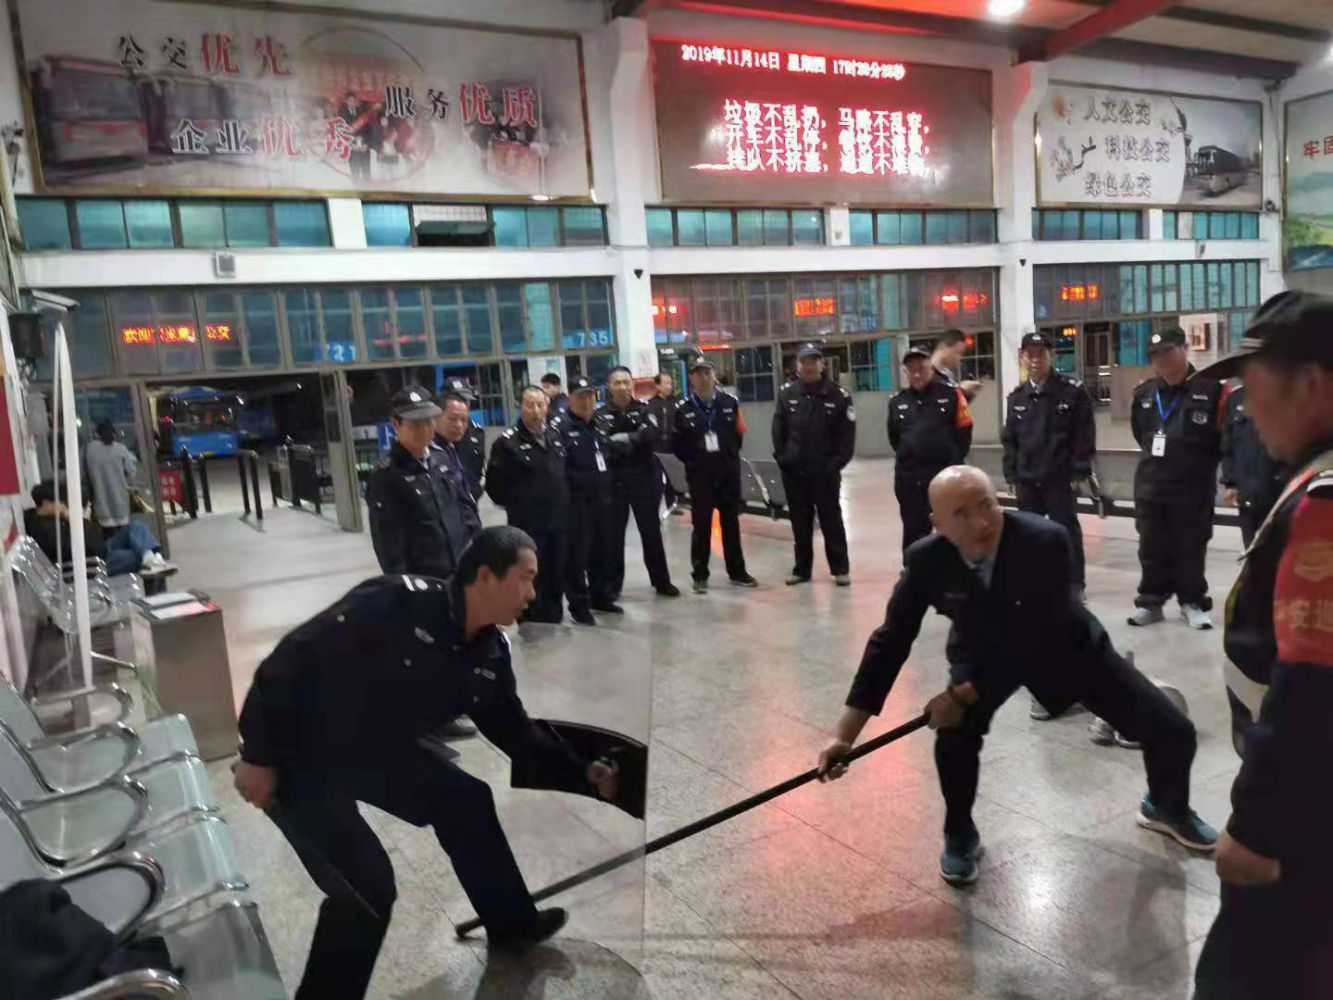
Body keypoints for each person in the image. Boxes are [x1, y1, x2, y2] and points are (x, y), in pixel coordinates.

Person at [232, 527, 620, 1000]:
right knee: (367, 889)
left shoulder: (490, 652)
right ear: (485, 576)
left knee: (465, 801)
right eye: (525, 578)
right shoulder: (395, 602)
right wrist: (258, 756)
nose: (532, 594)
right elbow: (290, 661)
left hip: (370, 748)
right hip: (299, 754)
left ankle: (511, 923)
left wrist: (582, 770)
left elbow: (516, 732)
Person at [817, 466, 1216, 886]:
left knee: (1173, 732)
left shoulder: (1045, 540)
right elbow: (890, 642)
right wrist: (845, 734)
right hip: (978, 652)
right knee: (954, 739)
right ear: (937, 524)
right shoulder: (926, 560)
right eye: (961, 513)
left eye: (987, 505)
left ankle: (1165, 806)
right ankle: (959, 833)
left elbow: (1038, 636)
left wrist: (963, 696)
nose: (981, 522)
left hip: (1068, 649)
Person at [1190, 291, 1333, 999]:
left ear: (1309, 383)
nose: (1244, 407)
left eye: (1253, 386)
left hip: (1303, 811)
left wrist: (1255, 826)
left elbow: (1311, 686)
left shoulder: (1325, 501)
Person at [1128, 326, 1224, 630]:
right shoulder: (1145, 393)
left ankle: (1192, 602)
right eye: (1155, 355)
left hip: (1193, 487)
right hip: (1151, 485)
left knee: (1191, 546)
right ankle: (1151, 602)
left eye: (1167, 352)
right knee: (1150, 546)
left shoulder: (1210, 390)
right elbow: (1141, 434)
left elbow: (1222, 438)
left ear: (1185, 349)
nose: (1161, 359)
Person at [1001, 332, 1096, 600]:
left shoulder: (1072, 391)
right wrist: (1011, 474)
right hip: (1028, 479)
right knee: (1027, 534)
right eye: (1029, 354)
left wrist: (1079, 472)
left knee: (1065, 532)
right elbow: (1010, 440)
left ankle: (1074, 584)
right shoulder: (1017, 398)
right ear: (1022, 357)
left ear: (1050, 355)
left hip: (1060, 478)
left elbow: (1084, 435)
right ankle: (1035, 583)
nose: (1035, 359)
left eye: (1041, 353)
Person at [366, 387, 478, 582]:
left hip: (461, 571)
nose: (424, 430)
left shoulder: (441, 458)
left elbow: (464, 506)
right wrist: (406, 586)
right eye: (415, 424)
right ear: (396, 424)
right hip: (425, 579)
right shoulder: (386, 475)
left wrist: (473, 548)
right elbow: (389, 545)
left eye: (428, 421)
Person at [672, 355, 757, 593]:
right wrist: (696, 461)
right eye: (698, 373)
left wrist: (727, 459)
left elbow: (738, 437)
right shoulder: (683, 410)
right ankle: (700, 574)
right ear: (691, 377)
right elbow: (678, 446)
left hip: (728, 475)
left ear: (714, 375)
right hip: (700, 477)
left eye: (707, 373)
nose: (703, 378)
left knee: (731, 525)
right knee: (701, 527)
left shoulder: (730, 403)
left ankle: (737, 572)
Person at [772, 343, 855, 586]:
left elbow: (846, 437)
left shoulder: (838, 395)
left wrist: (834, 465)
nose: (808, 366)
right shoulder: (787, 395)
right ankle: (802, 570)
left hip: (825, 473)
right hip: (795, 473)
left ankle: (840, 569)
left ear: (822, 364)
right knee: (800, 523)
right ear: (797, 366)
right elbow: (778, 432)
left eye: (813, 361)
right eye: (804, 362)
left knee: (831, 521)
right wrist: (784, 460)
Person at [485, 386, 568, 623]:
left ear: (547, 407)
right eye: (530, 405)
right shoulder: (507, 443)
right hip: (527, 522)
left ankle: (554, 612)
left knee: (556, 567)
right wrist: (519, 503)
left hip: (557, 519)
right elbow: (494, 485)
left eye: (540, 405)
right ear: (520, 407)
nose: (536, 411)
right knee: (529, 571)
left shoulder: (555, 435)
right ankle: (530, 614)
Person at [600, 366, 679, 598]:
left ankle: (661, 581)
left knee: (651, 532)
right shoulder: (601, 414)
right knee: (613, 536)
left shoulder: (645, 409)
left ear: (632, 384)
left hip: (644, 479)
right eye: (617, 383)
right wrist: (635, 440)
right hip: (615, 481)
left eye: (626, 382)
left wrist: (625, 438)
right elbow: (603, 442)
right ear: (609, 387)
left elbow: (651, 436)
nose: (622, 387)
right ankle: (612, 587)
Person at [888, 344, 973, 552]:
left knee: (952, 529)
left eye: (922, 368)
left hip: (944, 477)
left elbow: (964, 433)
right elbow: (895, 438)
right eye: (912, 370)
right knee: (914, 532)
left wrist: (952, 461)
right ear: (906, 372)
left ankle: (953, 570)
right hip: (910, 479)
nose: (917, 374)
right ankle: (914, 569)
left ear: (931, 368)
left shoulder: (952, 394)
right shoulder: (897, 401)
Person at [25, 479, 168, 578]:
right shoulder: (42, 529)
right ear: (46, 503)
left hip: (98, 551)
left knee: (136, 527)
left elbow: (90, 540)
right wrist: (81, 521)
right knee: (139, 557)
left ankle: (152, 557)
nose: (63, 506)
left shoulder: (49, 519)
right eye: (60, 502)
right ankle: (152, 564)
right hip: (93, 562)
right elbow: (84, 545)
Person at [561, 377, 617, 625]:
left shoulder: (601, 424)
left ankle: (601, 596)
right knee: (577, 555)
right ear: (570, 398)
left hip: (602, 498)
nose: (586, 402)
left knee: (603, 550)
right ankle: (579, 605)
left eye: (590, 396)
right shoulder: (560, 428)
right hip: (576, 502)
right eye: (580, 396)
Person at [1219, 381, 1286, 548]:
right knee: (1249, 548)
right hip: (1246, 490)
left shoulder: (1289, 394)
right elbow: (1228, 444)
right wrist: (1230, 483)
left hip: (1278, 488)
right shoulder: (1236, 398)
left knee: (1277, 548)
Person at [434, 377, 487, 502]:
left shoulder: (477, 434)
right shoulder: (431, 439)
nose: (462, 403)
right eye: (456, 398)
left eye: (465, 400)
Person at [645, 372, 681, 511]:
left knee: (673, 476)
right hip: (657, 447)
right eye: (666, 383)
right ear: (658, 386)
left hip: (673, 446)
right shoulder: (651, 405)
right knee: (656, 478)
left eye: (671, 383)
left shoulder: (676, 403)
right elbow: (651, 424)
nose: (669, 386)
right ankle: (654, 507)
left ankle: (673, 505)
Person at [931, 328, 983, 402]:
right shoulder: (926, 374)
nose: (959, 357)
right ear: (943, 347)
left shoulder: (948, 374)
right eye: (956, 352)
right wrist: (961, 390)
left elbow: (952, 403)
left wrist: (967, 393)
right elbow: (935, 402)